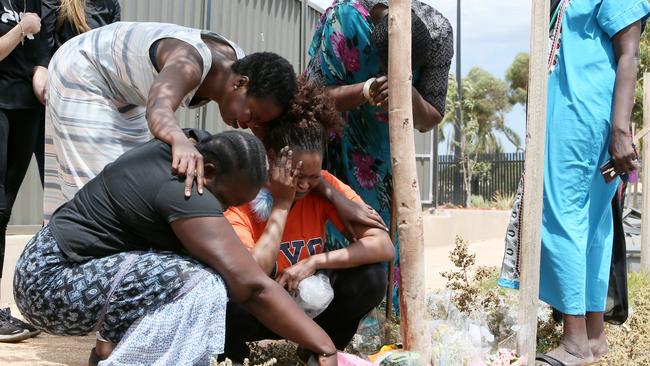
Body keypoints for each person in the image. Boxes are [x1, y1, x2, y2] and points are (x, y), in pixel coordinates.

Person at [13, 130, 339, 366]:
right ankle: (117, 356)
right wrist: (323, 345)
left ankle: (109, 350)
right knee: (203, 281)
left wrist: (338, 200)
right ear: (208, 173)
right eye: (223, 203)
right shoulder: (184, 190)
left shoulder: (193, 149)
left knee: (197, 268)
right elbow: (251, 285)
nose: (220, 213)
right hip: (50, 284)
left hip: (72, 271)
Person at [43, 21, 297, 222]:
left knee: (128, 182)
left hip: (127, 93)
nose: (249, 124)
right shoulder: (190, 62)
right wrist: (179, 140)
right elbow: (158, 108)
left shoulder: (240, 65)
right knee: (96, 192)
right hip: (83, 70)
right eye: (252, 115)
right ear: (241, 84)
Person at [221, 83, 394, 362]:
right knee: (229, 302)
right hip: (260, 307)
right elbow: (251, 274)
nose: (303, 185)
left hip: (309, 303)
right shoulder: (243, 194)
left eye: (312, 178)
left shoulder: (321, 187)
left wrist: (314, 262)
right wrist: (282, 203)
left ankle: (318, 348)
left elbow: (383, 246)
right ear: (273, 158)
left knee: (372, 277)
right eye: (296, 175)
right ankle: (234, 358)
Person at [305, 0, 453, 310]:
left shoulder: (438, 33)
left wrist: (406, 90)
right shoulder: (344, 18)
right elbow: (312, 99)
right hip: (337, 152)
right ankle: (330, 336)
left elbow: (431, 117)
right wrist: (366, 90)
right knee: (337, 250)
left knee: (386, 253)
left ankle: (381, 334)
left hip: (389, 163)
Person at [535, 0, 650, 365]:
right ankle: (594, 337)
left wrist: (620, 130)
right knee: (593, 227)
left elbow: (629, 55)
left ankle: (575, 342)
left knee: (562, 218)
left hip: (584, 117)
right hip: (575, 115)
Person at [0, 0, 49, 342]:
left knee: (3, 212)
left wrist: (41, 73)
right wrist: (21, 29)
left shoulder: (32, 2)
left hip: (27, 109)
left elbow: (41, 54)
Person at [31, 0, 121, 184]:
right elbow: (44, 53)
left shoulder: (111, 4)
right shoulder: (56, 3)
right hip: (60, 103)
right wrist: (41, 76)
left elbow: (112, 55)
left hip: (96, 106)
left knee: (94, 180)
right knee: (59, 181)